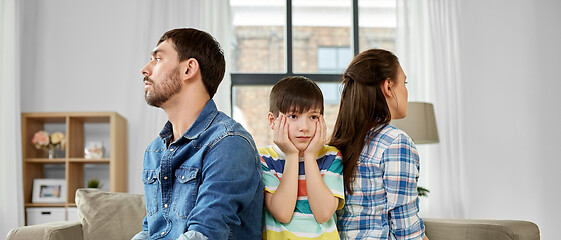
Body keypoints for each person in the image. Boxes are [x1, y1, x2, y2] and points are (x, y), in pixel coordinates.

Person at [132, 28, 264, 240]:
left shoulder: (229, 143)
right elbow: (152, 230)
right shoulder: (155, 150)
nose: (145, 69)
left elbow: (204, 234)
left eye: (158, 59)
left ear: (189, 69)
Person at [329, 49, 428, 240]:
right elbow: (406, 230)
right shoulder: (396, 143)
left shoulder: (341, 142)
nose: (406, 91)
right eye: (404, 83)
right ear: (388, 87)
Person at [259, 76, 344, 239]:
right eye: (293, 116)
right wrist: (292, 156)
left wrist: (310, 156)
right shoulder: (264, 158)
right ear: (273, 121)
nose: (304, 128)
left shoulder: (331, 156)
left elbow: (324, 213)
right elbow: (282, 213)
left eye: (313, 117)